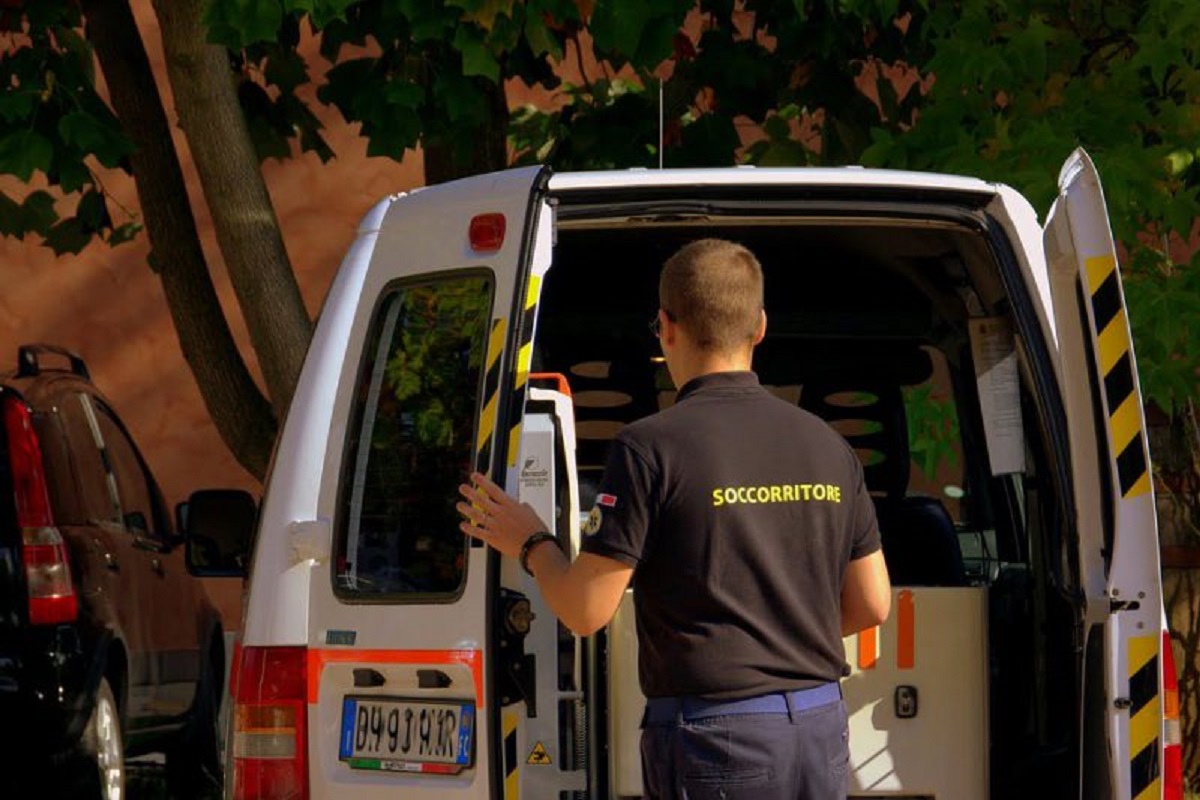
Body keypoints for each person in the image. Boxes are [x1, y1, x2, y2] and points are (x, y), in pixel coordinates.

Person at [458, 238, 891, 799]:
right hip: (818, 727)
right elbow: (872, 603)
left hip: (720, 739)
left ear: (665, 326)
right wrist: (778, 635)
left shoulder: (649, 448)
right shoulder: (829, 445)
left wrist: (531, 539)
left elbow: (586, 611)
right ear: (759, 326)